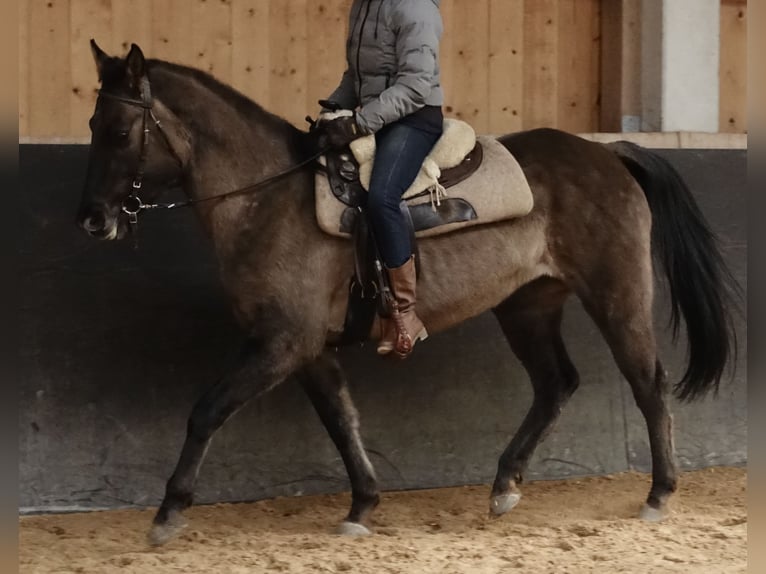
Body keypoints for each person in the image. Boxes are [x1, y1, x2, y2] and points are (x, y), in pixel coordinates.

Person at [321, 0, 444, 358]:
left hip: (414, 119)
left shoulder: (415, 8)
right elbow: (357, 75)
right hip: (378, 115)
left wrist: (359, 123)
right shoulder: (363, 5)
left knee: (382, 197)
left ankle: (405, 312)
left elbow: (416, 85)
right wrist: (332, 108)